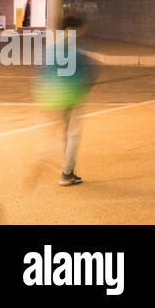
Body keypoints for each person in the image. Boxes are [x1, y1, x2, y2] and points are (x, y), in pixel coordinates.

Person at [35, 14, 98, 186]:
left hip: (53, 96)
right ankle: (67, 173)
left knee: (64, 132)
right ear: (77, 28)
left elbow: (43, 73)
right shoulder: (79, 49)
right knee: (73, 134)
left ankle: (58, 161)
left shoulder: (51, 48)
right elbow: (90, 74)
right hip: (73, 95)